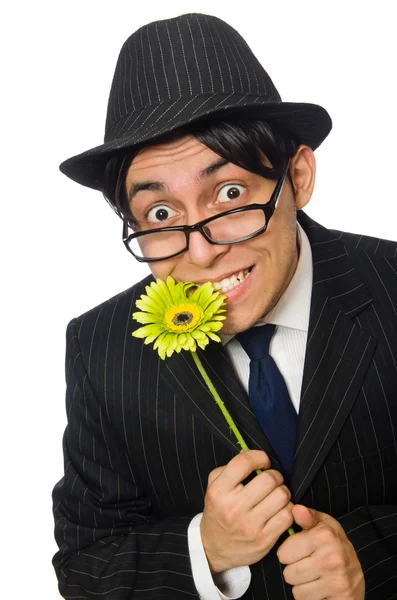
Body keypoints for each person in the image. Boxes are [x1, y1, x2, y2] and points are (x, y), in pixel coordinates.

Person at [52, 13, 397, 600]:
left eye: (230, 193)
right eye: (161, 215)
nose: (204, 251)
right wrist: (207, 549)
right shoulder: (101, 347)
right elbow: (86, 566)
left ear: (299, 176)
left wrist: (372, 555)